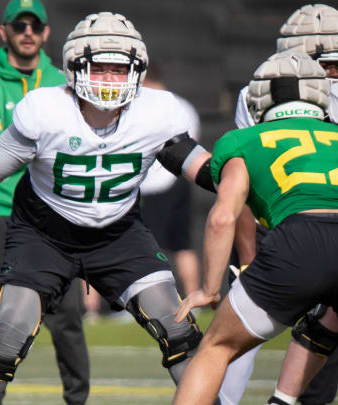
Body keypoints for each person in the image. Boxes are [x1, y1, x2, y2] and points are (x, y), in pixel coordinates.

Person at [0, 12, 218, 405]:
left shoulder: (157, 112)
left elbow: (207, 171)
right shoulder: (45, 111)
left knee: (177, 327)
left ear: (137, 71)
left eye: (119, 69)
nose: (110, 80)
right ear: (75, 67)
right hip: (44, 233)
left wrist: (249, 179)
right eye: (100, 68)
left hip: (119, 233)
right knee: (8, 332)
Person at [172, 50, 338, 405]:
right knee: (325, 325)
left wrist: (210, 288)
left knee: (215, 348)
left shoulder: (242, 141)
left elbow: (222, 217)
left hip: (299, 242)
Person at [0, 1, 90, 402]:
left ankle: (77, 400)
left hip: (55, 213)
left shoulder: (63, 81)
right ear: (4, 32)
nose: (27, 32)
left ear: (46, 33)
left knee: (69, 315)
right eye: (18, 25)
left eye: (34, 25)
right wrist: (47, 151)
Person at [224, 5, 338, 405]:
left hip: (308, 225)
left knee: (323, 336)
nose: (335, 73)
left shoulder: (260, 90)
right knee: (234, 338)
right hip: (277, 223)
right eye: (331, 64)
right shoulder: (259, 91)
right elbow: (242, 186)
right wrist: (248, 254)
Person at [139, 65, 202, 297]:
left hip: (151, 185)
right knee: (183, 245)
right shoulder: (184, 107)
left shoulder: (145, 107)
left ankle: (147, 300)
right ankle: (194, 297)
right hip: (180, 182)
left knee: (143, 248)